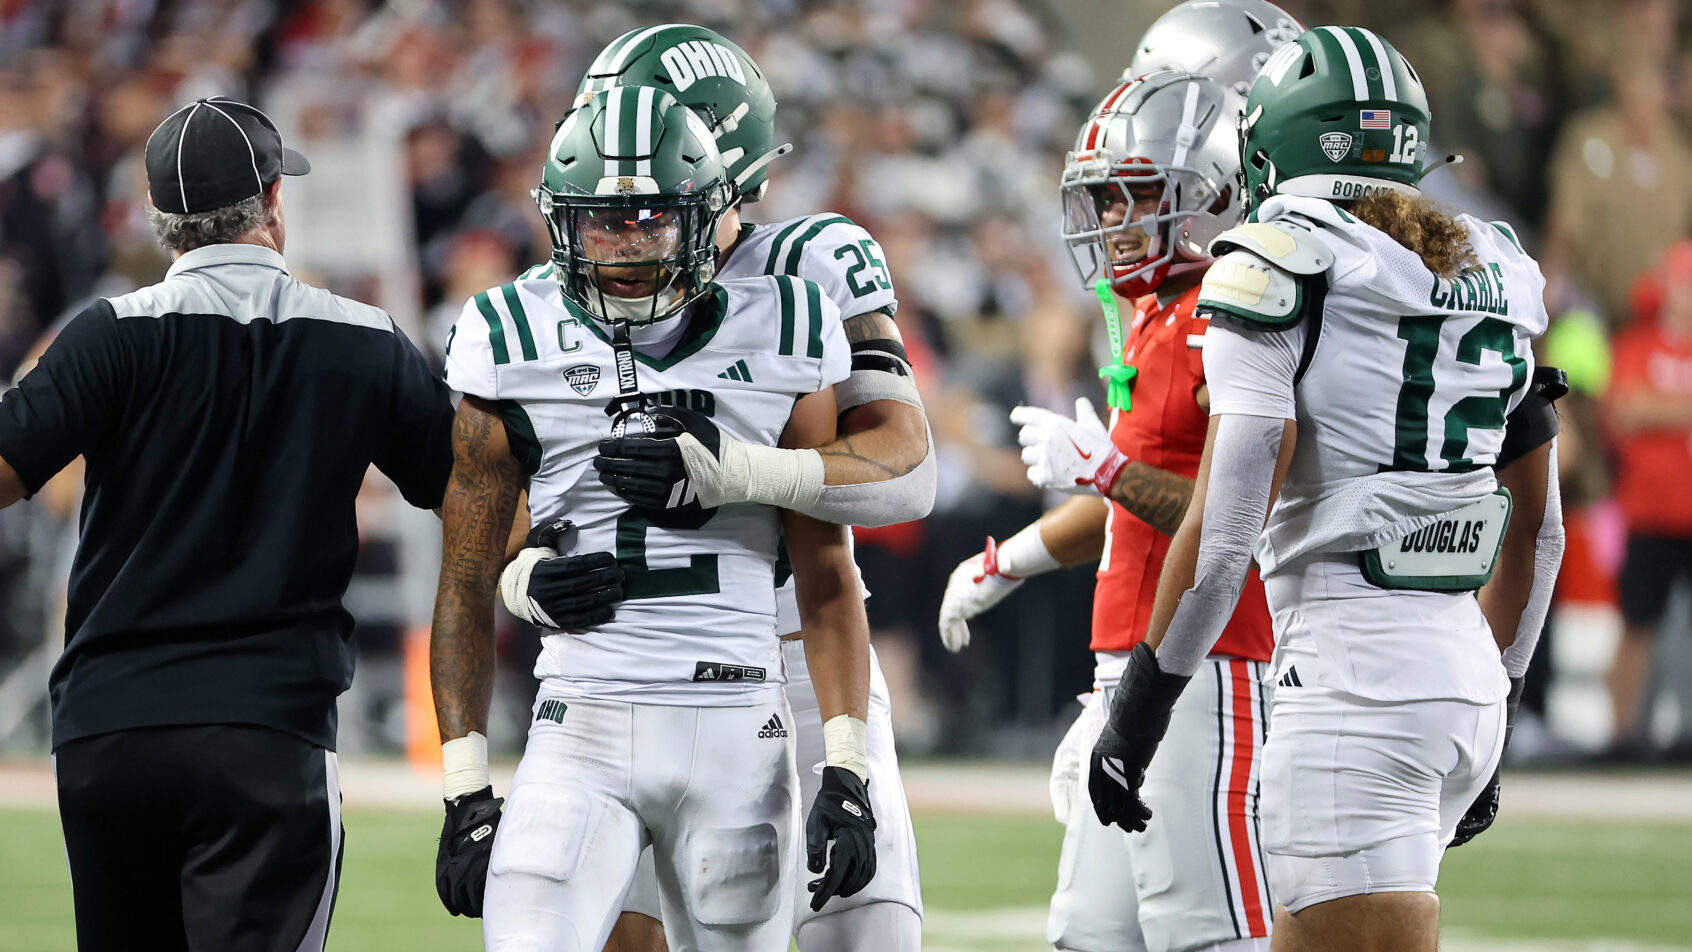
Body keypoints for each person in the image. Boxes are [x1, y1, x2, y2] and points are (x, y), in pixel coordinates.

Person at [1083, 28, 1563, 952]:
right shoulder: (1490, 265)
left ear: (1273, 147)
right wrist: (1499, 697)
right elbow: (1539, 535)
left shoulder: (1278, 263)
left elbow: (1225, 539)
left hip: (1352, 679)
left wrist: (1139, 710)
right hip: (1466, 669)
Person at [502, 25, 931, 952]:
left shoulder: (807, 263)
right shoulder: (568, 287)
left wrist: (740, 474)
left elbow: (908, 473)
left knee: (861, 935)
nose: (619, 179)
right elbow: (521, 499)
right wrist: (524, 575)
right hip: (631, 666)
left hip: (799, 650)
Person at [0, 96, 455, 951]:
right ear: (274, 200)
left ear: (156, 212)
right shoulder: (363, 340)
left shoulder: (107, 334)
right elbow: (477, 498)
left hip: (110, 727)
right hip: (266, 728)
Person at [938, 65, 1282, 952]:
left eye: (1141, 195)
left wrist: (1110, 470)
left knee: (1211, 933)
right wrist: (1007, 562)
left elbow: (1237, 519)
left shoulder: (1230, 320)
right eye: (1105, 198)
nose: (1116, 220)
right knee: (1090, 933)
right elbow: (1129, 500)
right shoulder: (1159, 318)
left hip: (1202, 663)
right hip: (1126, 666)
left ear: (1213, 194)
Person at [1604, 239, 1692, 752]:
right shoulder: (1637, 343)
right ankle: (1622, 737)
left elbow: (1643, 407)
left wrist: (1658, 409)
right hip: (1650, 513)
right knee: (1635, 625)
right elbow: (1626, 409)